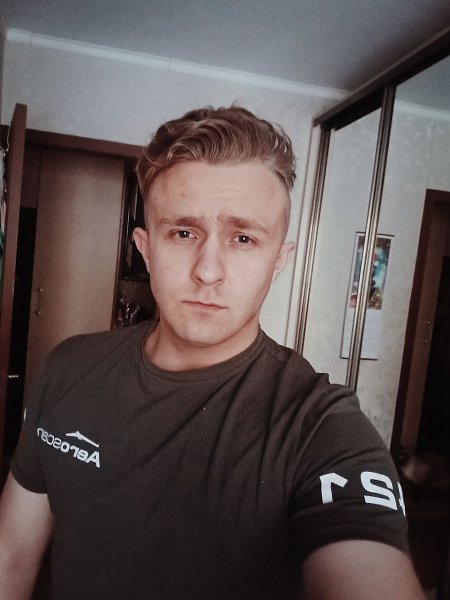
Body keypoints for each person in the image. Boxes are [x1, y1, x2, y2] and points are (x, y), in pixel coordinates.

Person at [0, 106, 424, 599]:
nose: (208, 270)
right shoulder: (68, 368)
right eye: (183, 233)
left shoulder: (320, 428)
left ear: (279, 260)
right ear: (146, 248)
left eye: (243, 238)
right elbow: (11, 554)